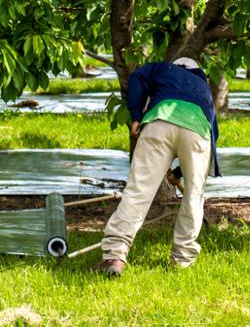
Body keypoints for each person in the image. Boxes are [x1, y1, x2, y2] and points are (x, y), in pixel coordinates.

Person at [94, 56, 221, 276]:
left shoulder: (162, 68)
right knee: (193, 196)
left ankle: (114, 255)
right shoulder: (203, 87)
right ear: (197, 70)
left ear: (176, 65)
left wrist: (136, 116)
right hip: (197, 131)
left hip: (159, 121)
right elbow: (212, 135)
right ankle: (182, 259)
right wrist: (180, 173)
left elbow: (137, 79)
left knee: (138, 191)